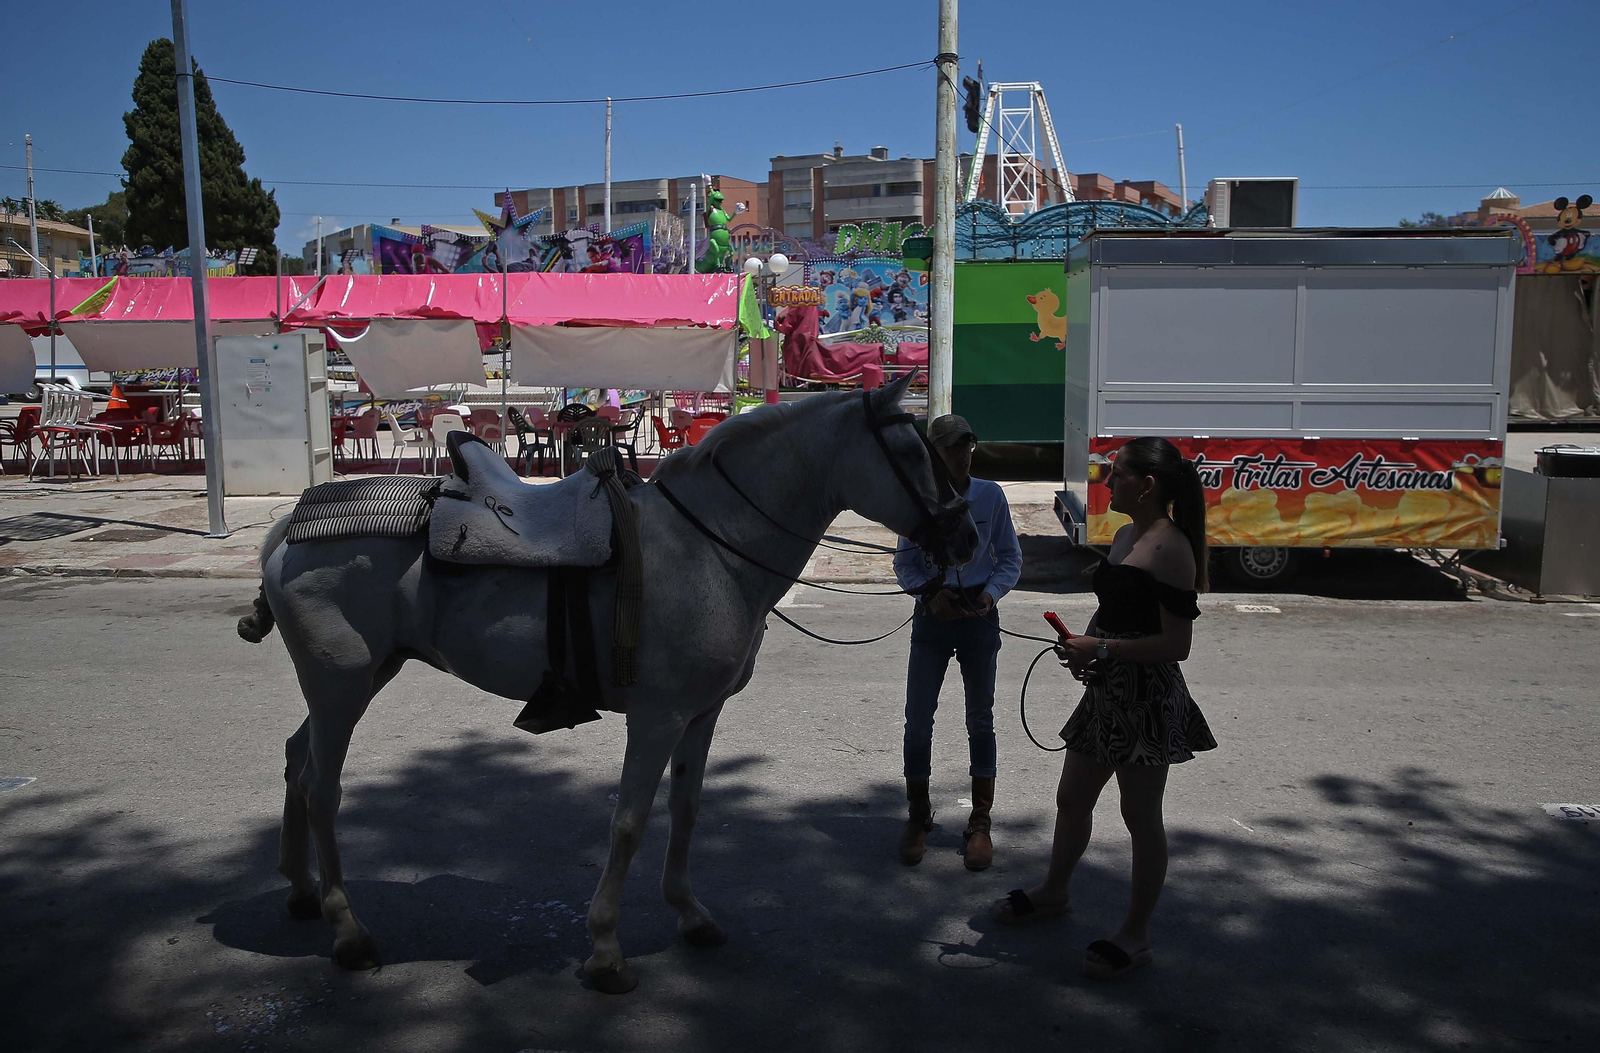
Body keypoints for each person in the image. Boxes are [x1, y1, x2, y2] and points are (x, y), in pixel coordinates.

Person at [993, 436, 1216, 981]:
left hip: (1146, 697)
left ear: (1148, 484)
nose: (1107, 482)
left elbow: (1175, 646)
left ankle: (1136, 935)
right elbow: (1112, 610)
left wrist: (1105, 650)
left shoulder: (1172, 548)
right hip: (1108, 689)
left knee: (1140, 817)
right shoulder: (1122, 535)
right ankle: (1054, 892)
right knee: (1072, 798)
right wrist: (1085, 646)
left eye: (1117, 474)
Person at [893, 414, 1022, 870]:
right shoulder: (921, 498)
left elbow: (1009, 558)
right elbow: (904, 563)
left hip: (978, 616)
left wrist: (990, 595)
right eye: (950, 447)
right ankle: (917, 815)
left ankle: (980, 821)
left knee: (980, 720)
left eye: (966, 445)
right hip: (933, 613)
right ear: (933, 453)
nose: (961, 453)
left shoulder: (990, 495)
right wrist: (929, 595)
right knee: (917, 721)